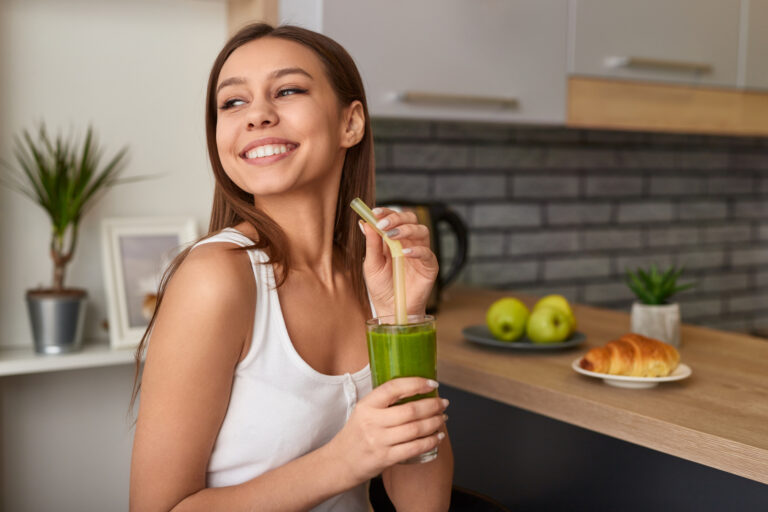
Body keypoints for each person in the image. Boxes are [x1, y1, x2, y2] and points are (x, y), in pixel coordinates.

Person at [129, 23, 453, 511]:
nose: (257, 114)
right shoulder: (216, 278)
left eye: (287, 90)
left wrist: (399, 315)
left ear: (352, 123)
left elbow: (422, 505)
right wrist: (343, 460)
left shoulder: (370, 277)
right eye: (232, 102)